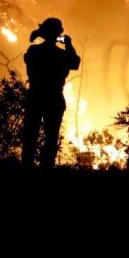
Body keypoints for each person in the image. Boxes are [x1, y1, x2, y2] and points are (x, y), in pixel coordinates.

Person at [21, 17, 80, 168]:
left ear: (44, 33)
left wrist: (39, 34)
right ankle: (46, 168)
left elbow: (28, 60)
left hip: (35, 97)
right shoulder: (62, 55)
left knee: (30, 137)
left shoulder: (34, 51)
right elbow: (75, 62)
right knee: (50, 139)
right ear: (58, 34)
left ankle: (26, 166)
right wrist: (68, 44)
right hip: (54, 99)